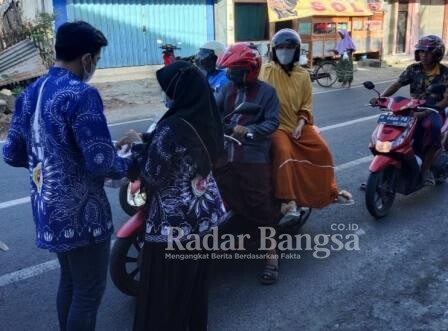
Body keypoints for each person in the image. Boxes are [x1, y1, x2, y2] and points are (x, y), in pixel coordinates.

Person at [2, 21, 133, 331]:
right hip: (82, 214)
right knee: (88, 292)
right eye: (97, 60)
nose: (95, 67)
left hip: (47, 209)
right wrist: (130, 165)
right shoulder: (81, 94)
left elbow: (11, 153)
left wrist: (48, 161)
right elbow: (101, 162)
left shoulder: (30, 92)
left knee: (70, 282)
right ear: (86, 59)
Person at [133, 60, 227, 331]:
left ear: (178, 92)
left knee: (166, 296)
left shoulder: (171, 128)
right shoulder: (207, 118)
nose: (166, 96)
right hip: (205, 218)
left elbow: (150, 175)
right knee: (193, 289)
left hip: (172, 226)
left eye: (167, 91)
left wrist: (136, 150)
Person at [259, 29, 352, 217]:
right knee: (284, 151)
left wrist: (301, 125)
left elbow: (306, 105)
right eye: (281, 47)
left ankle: (329, 192)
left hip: (297, 124)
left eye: (289, 47)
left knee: (322, 149)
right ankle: (288, 200)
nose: (285, 51)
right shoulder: (265, 71)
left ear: (296, 50)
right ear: (273, 50)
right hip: (274, 125)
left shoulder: (302, 75)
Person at [215, 42, 284, 285]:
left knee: (260, 205)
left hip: (253, 155)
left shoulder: (267, 93)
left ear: (250, 69)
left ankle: (271, 259)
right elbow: (213, 111)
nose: (230, 74)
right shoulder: (227, 89)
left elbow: (273, 122)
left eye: (235, 70)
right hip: (225, 153)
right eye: (229, 70)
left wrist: (251, 130)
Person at [374, 35, 448, 185]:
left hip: (433, 109)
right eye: (421, 52)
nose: (423, 55)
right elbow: (397, 84)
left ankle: (426, 170)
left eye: (427, 52)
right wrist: (381, 98)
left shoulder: (445, 73)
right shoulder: (413, 69)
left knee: (432, 128)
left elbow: (446, 99)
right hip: (413, 107)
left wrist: (426, 112)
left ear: (437, 54)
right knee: (393, 128)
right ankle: (384, 170)